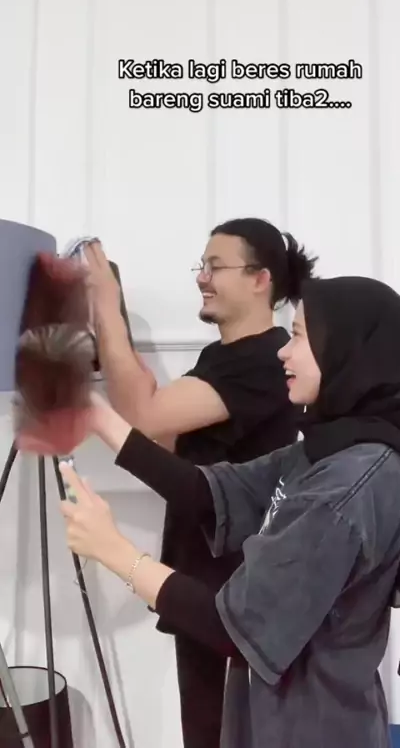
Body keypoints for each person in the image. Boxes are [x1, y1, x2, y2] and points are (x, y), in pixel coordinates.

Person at [60, 275, 400, 748]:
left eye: (299, 336)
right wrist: (98, 414)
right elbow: (208, 492)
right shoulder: (326, 452)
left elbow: (231, 628)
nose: (283, 352)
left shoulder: (347, 485)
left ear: (346, 353)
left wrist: (112, 550)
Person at [82, 218, 317, 748]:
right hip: (202, 580)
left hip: (237, 590)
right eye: (201, 265)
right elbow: (163, 436)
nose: (202, 277)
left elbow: (143, 417)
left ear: (259, 279)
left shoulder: (265, 360)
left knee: (228, 733)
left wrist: (106, 310)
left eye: (215, 266)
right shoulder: (224, 358)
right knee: (206, 731)